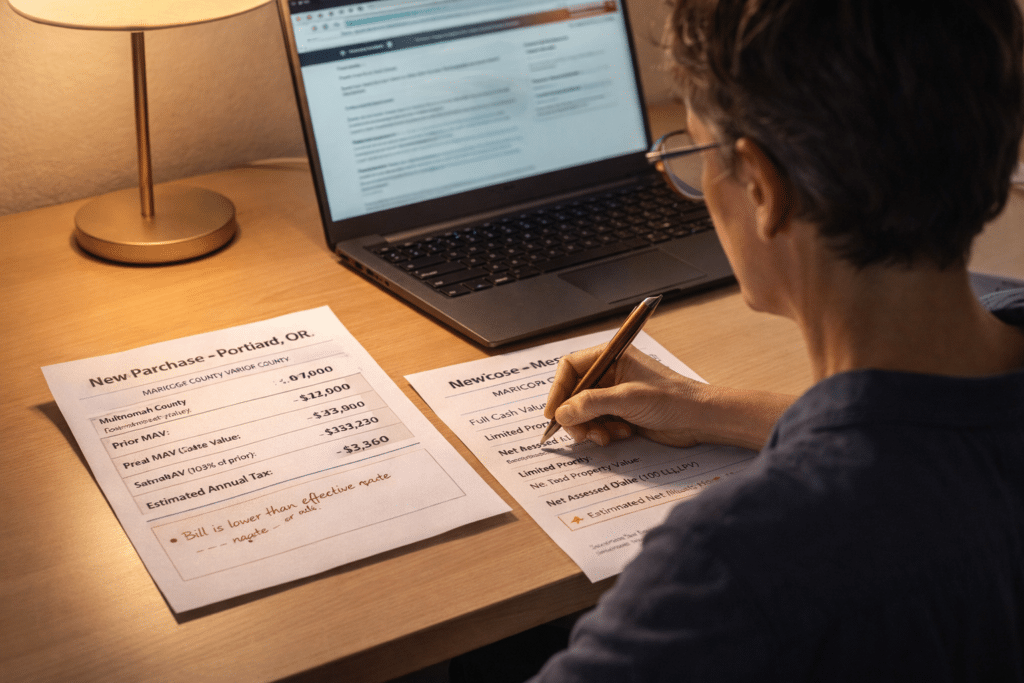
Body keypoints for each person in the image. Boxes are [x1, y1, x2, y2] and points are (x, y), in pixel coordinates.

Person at [524, 0, 1024, 680]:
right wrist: (706, 407)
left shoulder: (733, 568)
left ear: (761, 187)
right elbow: (933, 441)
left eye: (697, 153)